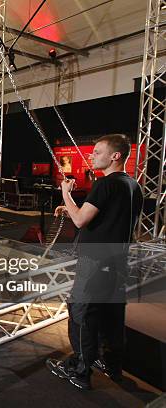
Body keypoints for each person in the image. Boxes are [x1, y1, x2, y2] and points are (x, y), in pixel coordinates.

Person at [46, 134, 143, 390]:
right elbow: (106, 218)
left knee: (82, 315)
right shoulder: (133, 186)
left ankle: (80, 369)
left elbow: (80, 221)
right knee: (111, 314)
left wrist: (66, 195)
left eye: (98, 152)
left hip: (95, 263)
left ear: (115, 156)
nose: (92, 155)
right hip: (118, 262)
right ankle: (111, 365)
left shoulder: (105, 185)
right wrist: (73, 208)